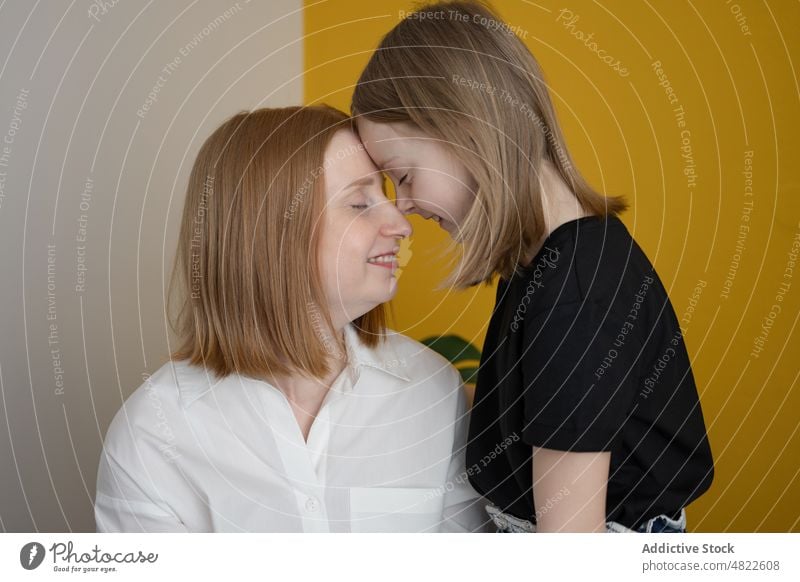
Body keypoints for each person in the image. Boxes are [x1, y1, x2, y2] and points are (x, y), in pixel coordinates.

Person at [352, 0, 714, 533]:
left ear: (466, 130)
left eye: (402, 175)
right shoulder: (552, 263)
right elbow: (531, 412)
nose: (402, 207)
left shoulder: (574, 295)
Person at [94, 105, 488, 533]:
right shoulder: (155, 431)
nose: (401, 223)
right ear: (270, 232)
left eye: (387, 197)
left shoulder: (432, 394)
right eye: (360, 202)